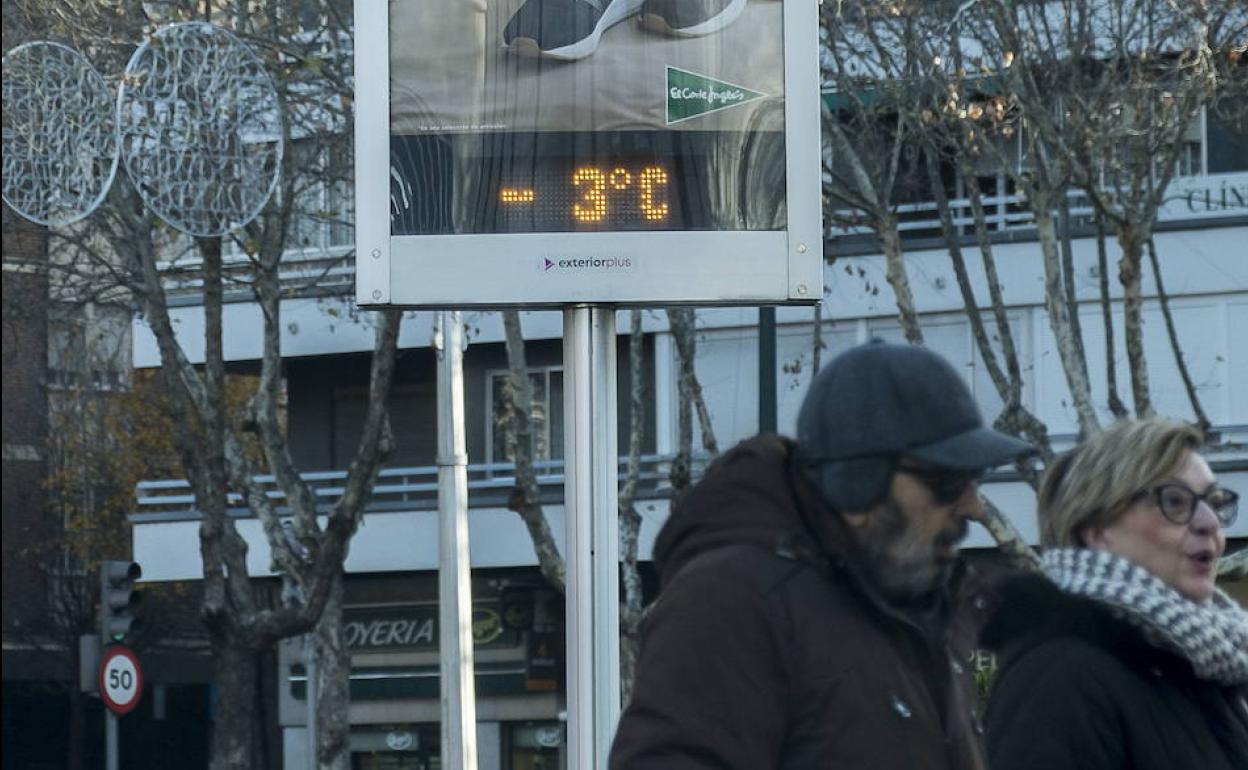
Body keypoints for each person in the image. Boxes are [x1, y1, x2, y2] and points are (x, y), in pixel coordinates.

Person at [609, 340, 1035, 769]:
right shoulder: (734, 602)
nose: (973, 507)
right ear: (857, 486)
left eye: (976, 479)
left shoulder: (921, 613)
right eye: (946, 483)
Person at [981, 418, 1248, 770]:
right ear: (1096, 529)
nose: (1209, 523)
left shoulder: (1205, 664)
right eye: (1175, 501)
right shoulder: (1060, 677)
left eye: (1215, 501)